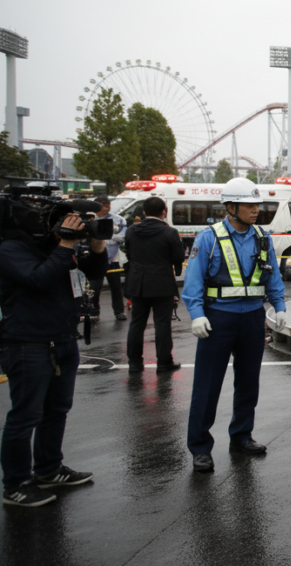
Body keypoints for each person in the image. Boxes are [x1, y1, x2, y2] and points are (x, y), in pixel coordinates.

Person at [183, 177, 288, 473]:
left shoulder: (262, 237)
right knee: (207, 385)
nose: (256, 210)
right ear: (230, 207)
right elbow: (192, 282)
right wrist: (197, 313)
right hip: (218, 319)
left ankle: (241, 436)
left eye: (257, 205)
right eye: (249, 205)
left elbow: (273, 277)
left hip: (253, 319)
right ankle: (200, 447)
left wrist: (279, 308)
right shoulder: (208, 238)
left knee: (248, 383)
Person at [0, 211, 105, 507]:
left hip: (62, 338)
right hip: (27, 343)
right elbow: (38, 280)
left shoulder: (56, 247)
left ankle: (49, 469)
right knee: (25, 416)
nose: (67, 224)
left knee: (57, 409)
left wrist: (95, 243)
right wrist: (65, 245)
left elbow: (93, 271)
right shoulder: (10, 248)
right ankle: (16, 484)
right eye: (59, 219)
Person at [123, 196, 185, 373]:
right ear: (164, 211)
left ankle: (134, 363)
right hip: (162, 282)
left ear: (144, 211)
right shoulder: (169, 232)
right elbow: (178, 257)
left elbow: (129, 254)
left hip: (138, 283)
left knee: (136, 323)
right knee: (162, 324)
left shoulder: (132, 231)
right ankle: (164, 362)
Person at [88, 196, 127, 323]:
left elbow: (123, 237)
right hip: (94, 261)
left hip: (113, 260)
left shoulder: (118, 220)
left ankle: (119, 311)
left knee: (116, 287)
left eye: (108, 204)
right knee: (94, 288)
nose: (106, 206)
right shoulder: (89, 219)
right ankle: (93, 312)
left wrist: (106, 238)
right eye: (103, 204)